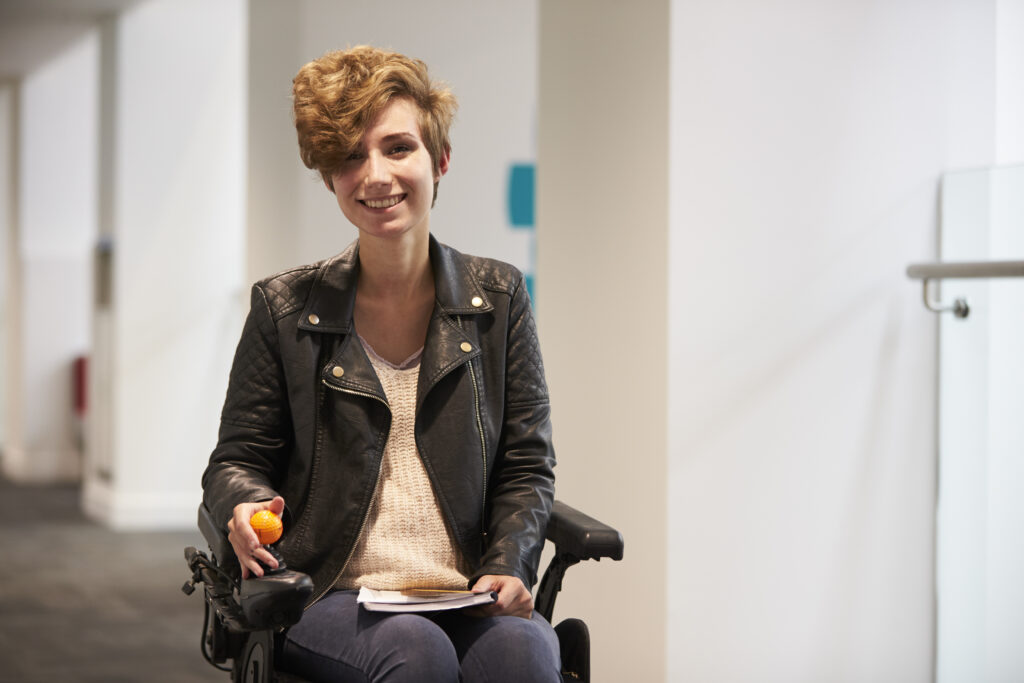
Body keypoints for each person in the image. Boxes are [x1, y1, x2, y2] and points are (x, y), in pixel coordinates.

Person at [201, 46, 561, 682]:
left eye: (398, 148)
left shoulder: (499, 298)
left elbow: (526, 462)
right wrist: (245, 503)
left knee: (524, 652)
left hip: (467, 589)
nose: (374, 175)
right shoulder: (284, 310)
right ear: (328, 177)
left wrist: (511, 560)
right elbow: (237, 460)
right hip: (331, 590)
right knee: (416, 652)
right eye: (349, 156)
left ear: (439, 159)